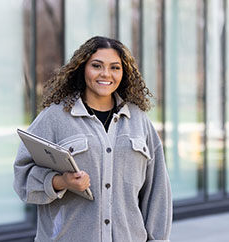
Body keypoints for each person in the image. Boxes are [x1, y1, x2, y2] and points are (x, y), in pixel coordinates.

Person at [13, 36, 172, 242]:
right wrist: (61, 182)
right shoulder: (54, 117)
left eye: (115, 67)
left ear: (124, 73)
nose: (106, 74)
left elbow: (157, 191)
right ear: (82, 68)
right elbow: (22, 177)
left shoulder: (139, 121)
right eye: (97, 66)